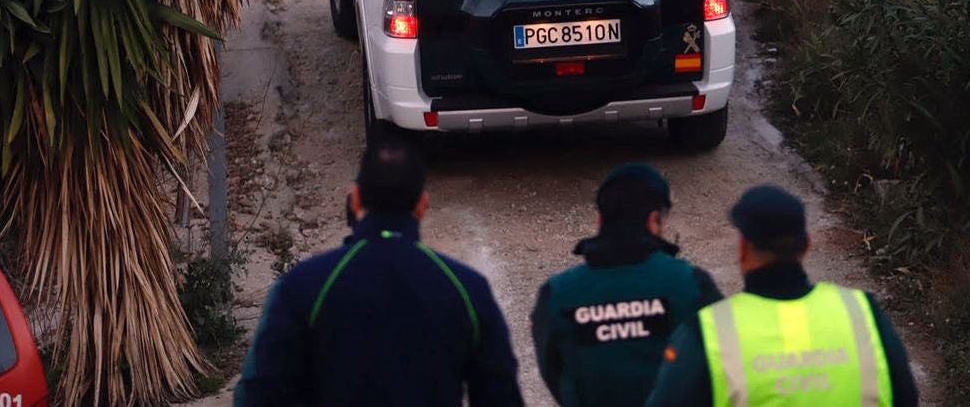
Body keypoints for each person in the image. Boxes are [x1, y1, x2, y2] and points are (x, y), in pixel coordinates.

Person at [233, 130, 524, 407]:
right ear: (422, 205)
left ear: (356, 198)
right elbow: (501, 396)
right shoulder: (466, 287)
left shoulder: (302, 286)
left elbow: (259, 392)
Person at [644, 184, 919, 407]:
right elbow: (906, 396)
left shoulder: (708, 334)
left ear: (742, 249)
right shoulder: (862, 312)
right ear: (807, 245)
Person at [531, 163, 723, 407]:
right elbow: (724, 363)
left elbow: (553, 370)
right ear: (654, 220)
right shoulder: (692, 284)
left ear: (600, 219)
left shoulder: (556, 294)